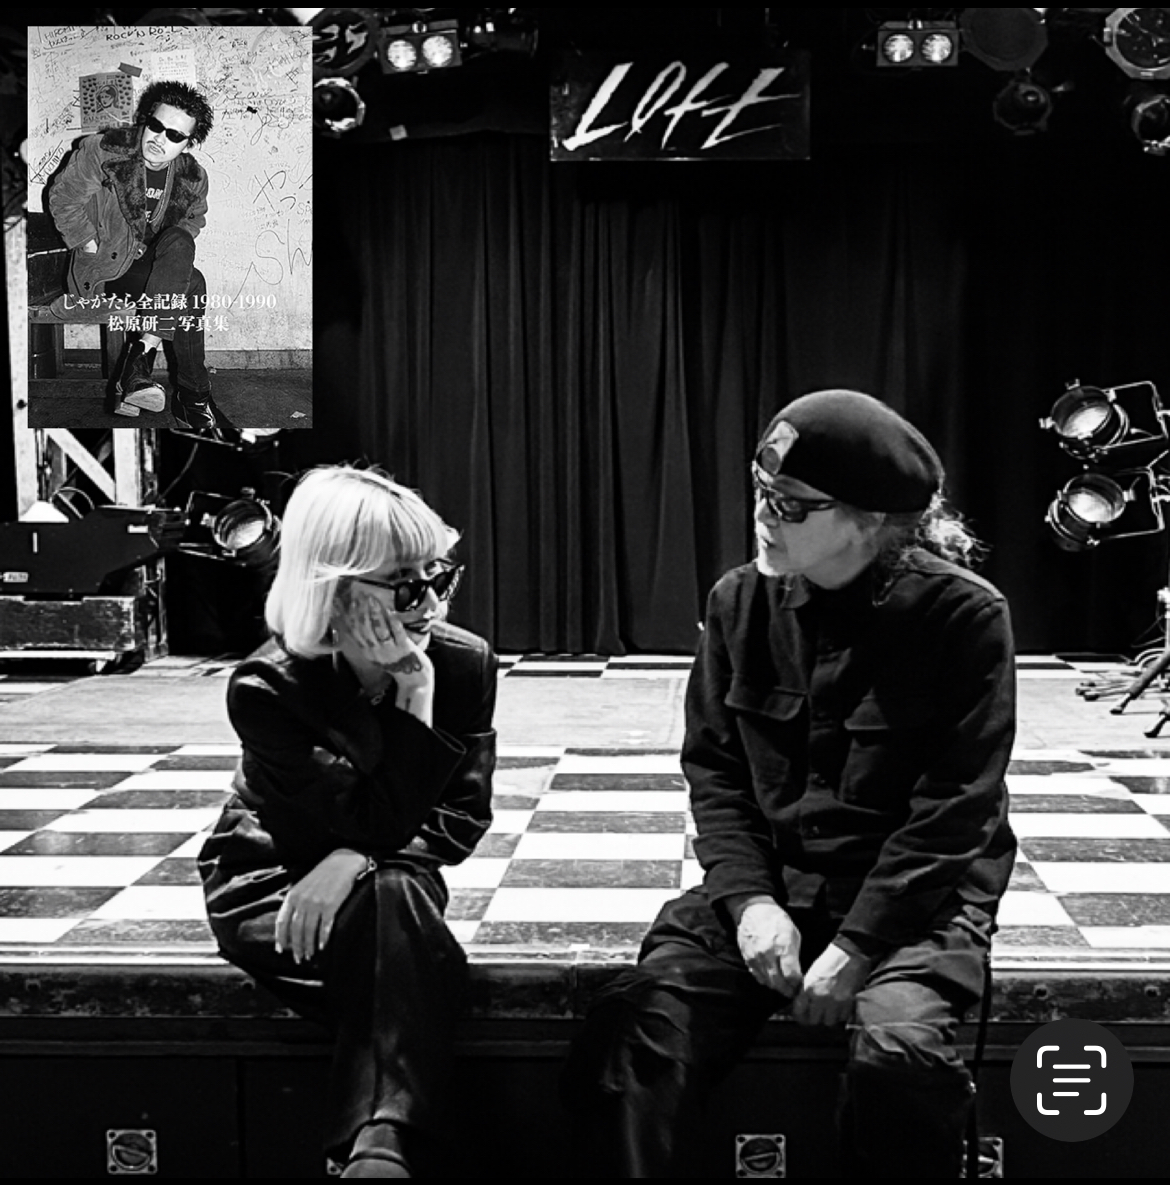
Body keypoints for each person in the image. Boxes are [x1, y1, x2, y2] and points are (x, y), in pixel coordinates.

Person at [563, 389, 1017, 1178]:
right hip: (771, 884)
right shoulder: (738, 601)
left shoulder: (964, 615)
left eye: (791, 505)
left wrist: (856, 946)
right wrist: (749, 901)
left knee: (898, 1057)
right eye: (761, 491)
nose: (763, 516)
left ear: (870, 521)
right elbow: (716, 772)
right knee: (635, 1028)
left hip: (912, 904)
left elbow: (955, 808)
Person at [199, 466, 497, 1179]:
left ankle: (373, 1149)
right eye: (404, 585)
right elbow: (359, 818)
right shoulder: (268, 685)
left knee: (391, 900)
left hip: (388, 877)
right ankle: (387, 1145)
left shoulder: (460, 664)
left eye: (438, 577)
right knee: (405, 943)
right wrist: (411, 700)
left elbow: (460, 817)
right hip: (277, 875)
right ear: (333, 586)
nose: (430, 604)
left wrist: (415, 688)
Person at [46, 79, 235, 436]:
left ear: (189, 143)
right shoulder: (106, 150)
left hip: (151, 269)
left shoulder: (193, 177)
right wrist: (86, 242)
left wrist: (164, 254)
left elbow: (193, 220)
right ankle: (190, 396)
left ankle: (142, 365)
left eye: (174, 136)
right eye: (156, 126)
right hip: (103, 267)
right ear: (146, 120)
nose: (160, 139)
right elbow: (64, 198)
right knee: (193, 286)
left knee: (181, 244)